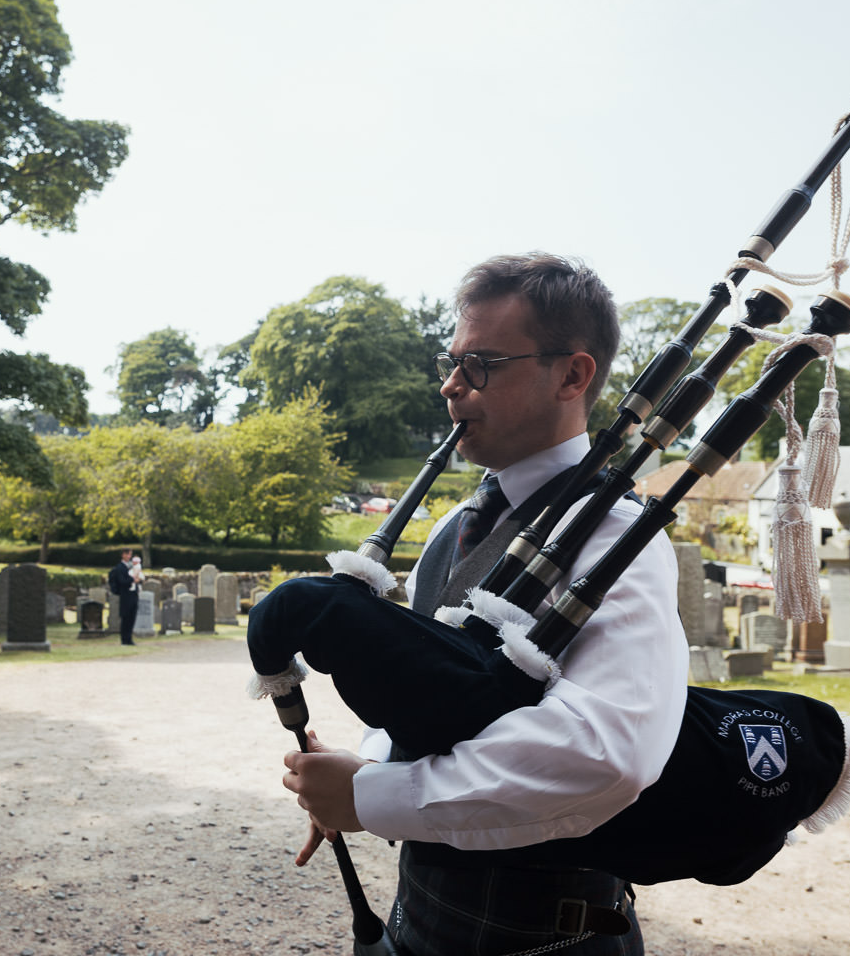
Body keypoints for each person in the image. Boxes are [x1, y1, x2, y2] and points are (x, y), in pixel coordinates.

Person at [281, 253, 689, 954]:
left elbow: (607, 754)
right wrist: (364, 769)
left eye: (481, 366)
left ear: (572, 374)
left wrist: (370, 798)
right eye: (451, 362)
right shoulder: (453, 526)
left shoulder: (619, 536)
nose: (451, 386)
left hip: (547, 938)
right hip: (427, 920)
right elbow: (434, 705)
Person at [108, 548, 139, 645]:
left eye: (130, 555)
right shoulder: (119, 568)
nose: (129, 557)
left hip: (133, 594)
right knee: (126, 618)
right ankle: (124, 639)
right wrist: (132, 579)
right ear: (123, 555)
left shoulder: (131, 566)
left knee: (132, 618)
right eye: (128, 554)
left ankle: (129, 638)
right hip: (125, 596)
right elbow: (122, 581)